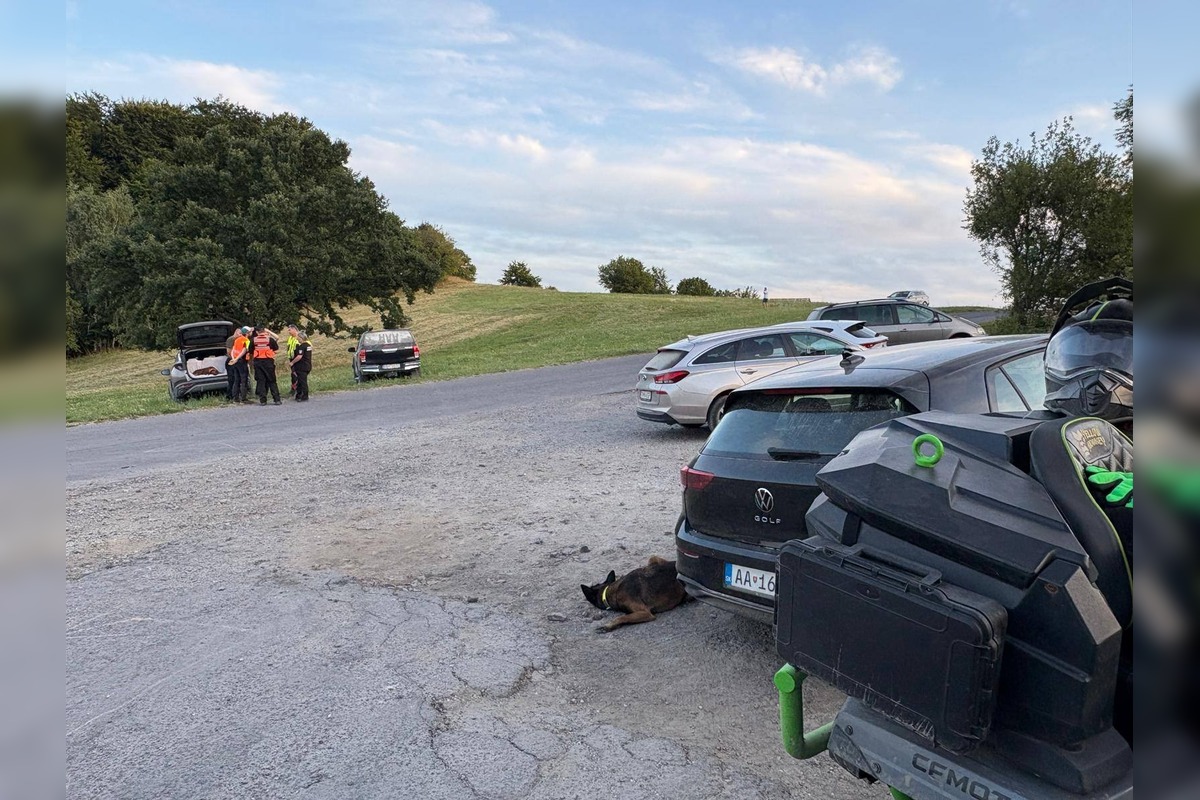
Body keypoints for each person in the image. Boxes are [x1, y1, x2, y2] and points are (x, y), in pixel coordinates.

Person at [250, 324, 282, 405]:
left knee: (261, 381)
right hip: (268, 362)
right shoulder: (270, 340)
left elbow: (250, 351)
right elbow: (276, 349)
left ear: (257, 332)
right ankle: (277, 399)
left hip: (258, 362)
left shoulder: (253, 340)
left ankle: (263, 400)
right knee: (272, 381)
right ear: (264, 331)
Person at [228, 326, 253, 403]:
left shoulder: (237, 339)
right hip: (241, 361)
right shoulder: (246, 340)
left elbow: (233, 350)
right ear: (247, 333)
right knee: (244, 379)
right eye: (250, 332)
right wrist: (237, 359)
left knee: (236, 379)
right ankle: (243, 398)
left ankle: (235, 398)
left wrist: (233, 358)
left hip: (235, 361)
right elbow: (244, 350)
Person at [290, 332, 313, 401]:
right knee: (300, 381)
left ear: (301, 338)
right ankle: (299, 394)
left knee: (302, 381)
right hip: (308, 365)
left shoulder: (302, 347)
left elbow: (299, 356)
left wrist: (292, 362)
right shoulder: (308, 345)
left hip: (302, 366)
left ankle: (304, 396)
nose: (297, 339)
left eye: (298, 337)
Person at [224, 325, 241, 401]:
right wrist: (235, 358)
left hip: (236, 360)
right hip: (231, 360)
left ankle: (236, 394)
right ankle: (229, 396)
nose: (241, 335)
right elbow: (229, 352)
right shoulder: (231, 339)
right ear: (236, 331)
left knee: (236, 379)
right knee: (232, 379)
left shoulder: (240, 340)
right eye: (240, 333)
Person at [284, 324, 300, 396]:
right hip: (291, 358)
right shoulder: (290, 338)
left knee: (295, 375)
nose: (288, 331)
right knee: (293, 374)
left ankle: (297, 389)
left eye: (289, 330)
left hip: (297, 359)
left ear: (294, 329)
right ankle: (293, 389)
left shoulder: (299, 337)